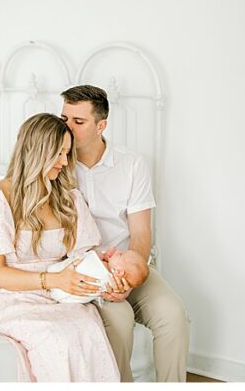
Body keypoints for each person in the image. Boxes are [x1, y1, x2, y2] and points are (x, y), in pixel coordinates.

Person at [0, 113, 119, 382]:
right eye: (59, 153)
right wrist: (54, 279)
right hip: (12, 298)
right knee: (56, 340)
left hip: (60, 294)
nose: (64, 162)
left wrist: (104, 267)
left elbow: (81, 256)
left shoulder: (68, 198)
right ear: (37, 151)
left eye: (67, 153)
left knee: (89, 332)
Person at [59, 84, 190, 382]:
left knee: (174, 315)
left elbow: (141, 232)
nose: (67, 127)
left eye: (78, 121)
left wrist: (128, 277)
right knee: (119, 322)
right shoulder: (57, 164)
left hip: (130, 262)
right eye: (64, 119)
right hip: (87, 272)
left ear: (101, 126)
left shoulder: (131, 164)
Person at [47, 248, 150, 304]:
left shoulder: (102, 271)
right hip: (66, 299)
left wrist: (99, 255)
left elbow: (85, 259)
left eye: (120, 255)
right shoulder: (109, 282)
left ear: (119, 272)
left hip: (59, 279)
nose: (118, 251)